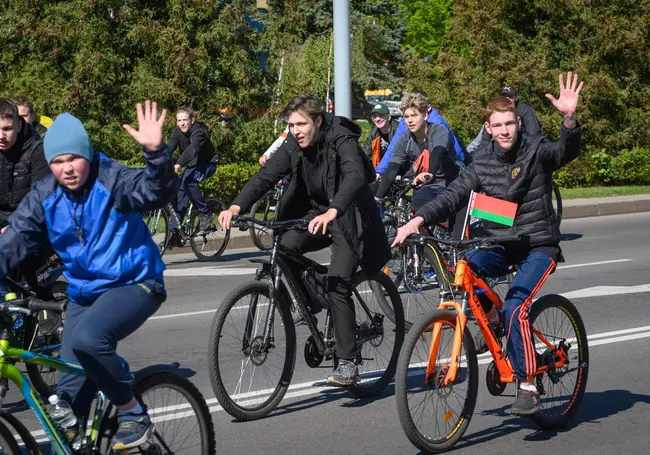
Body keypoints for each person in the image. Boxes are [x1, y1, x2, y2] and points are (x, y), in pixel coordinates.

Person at [391, 72, 584, 416]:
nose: (506, 130)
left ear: (518, 124)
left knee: (515, 307)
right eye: (498, 125)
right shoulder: (481, 161)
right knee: (464, 277)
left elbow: (564, 153)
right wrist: (417, 221)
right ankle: (496, 326)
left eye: (511, 123)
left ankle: (527, 385)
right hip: (500, 242)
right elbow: (452, 195)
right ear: (489, 128)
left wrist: (568, 119)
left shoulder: (536, 151)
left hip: (538, 244)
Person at [0, 100, 177, 450]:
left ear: (87, 154)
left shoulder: (112, 179)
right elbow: (13, 242)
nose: (67, 169)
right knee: (65, 411)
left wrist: (156, 152)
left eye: (73, 159)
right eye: (57, 162)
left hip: (135, 283)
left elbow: (159, 190)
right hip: (85, 293)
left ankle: (132, 412)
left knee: (87, 341)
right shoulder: (45, 195)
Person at [219, 94, 391, 387]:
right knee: (285, 248)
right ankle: (312, 300)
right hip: (316, 213)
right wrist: (236, 206)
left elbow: (353, 175)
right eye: (291, 125)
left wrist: (335, 209)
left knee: (338, 282)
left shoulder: (341, 138)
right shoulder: (293, 143)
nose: (295, 130)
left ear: (318, 121)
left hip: (349, 214)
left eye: (301, 124)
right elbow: (266, 175)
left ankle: (348, 362)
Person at [374, 92, 466, 238]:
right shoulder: (405, 140)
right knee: (419, 211)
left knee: (458, 237)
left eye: (414, 115)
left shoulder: (438, 130)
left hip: (454, 183)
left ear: (425, 115)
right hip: (431, 186)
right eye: (406, 117)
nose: (409, 121)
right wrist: (378, 197)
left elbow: (437, 153)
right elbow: (393, 168)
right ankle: (430, 249)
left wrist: (429, 173)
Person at [0, 98, 55, 299]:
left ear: (19, 124)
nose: (1, 136)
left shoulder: (37, 150)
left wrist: (15, 226)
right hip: (3, 222)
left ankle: (46, 302)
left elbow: (41, 197)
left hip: (33, 223)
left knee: (24, 250)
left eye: (7, 129)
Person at [375, 90, 466, 177]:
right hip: (427, 165)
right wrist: (379, 171)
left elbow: (439, 152)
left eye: (415, 114)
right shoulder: (406, 120)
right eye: (407, 116)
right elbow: (394, 146)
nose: (410, 119)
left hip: (452, 163)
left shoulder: (437, 123)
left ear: (428, 108)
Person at [167, 107, 218, 240]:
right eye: (179, 120)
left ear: (192, 120)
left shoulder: (199, 132)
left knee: (189, 182)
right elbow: (169, 147)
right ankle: (174, 232)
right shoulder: (177, 131)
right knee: (179, 194)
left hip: (208, 164)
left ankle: (205, 214)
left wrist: (178, 164)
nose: (182, 123)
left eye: (185, 120)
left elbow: (192, 150)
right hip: (192, 165)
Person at [466, 85, 541, 156]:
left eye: (510, 96)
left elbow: (533, 132)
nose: (507, 98)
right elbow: (485, 139)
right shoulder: (497, 108)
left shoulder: (524, 109)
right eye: (505, 96)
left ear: (516, 97)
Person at [361, 102, 400, 168]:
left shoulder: (398, 130)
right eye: (374, 116)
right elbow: (365, 152)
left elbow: (399, 154)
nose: (377, 119)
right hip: (382, 168)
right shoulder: (374, 133)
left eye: (381, 115)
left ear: (389, 117)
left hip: (400, 167)